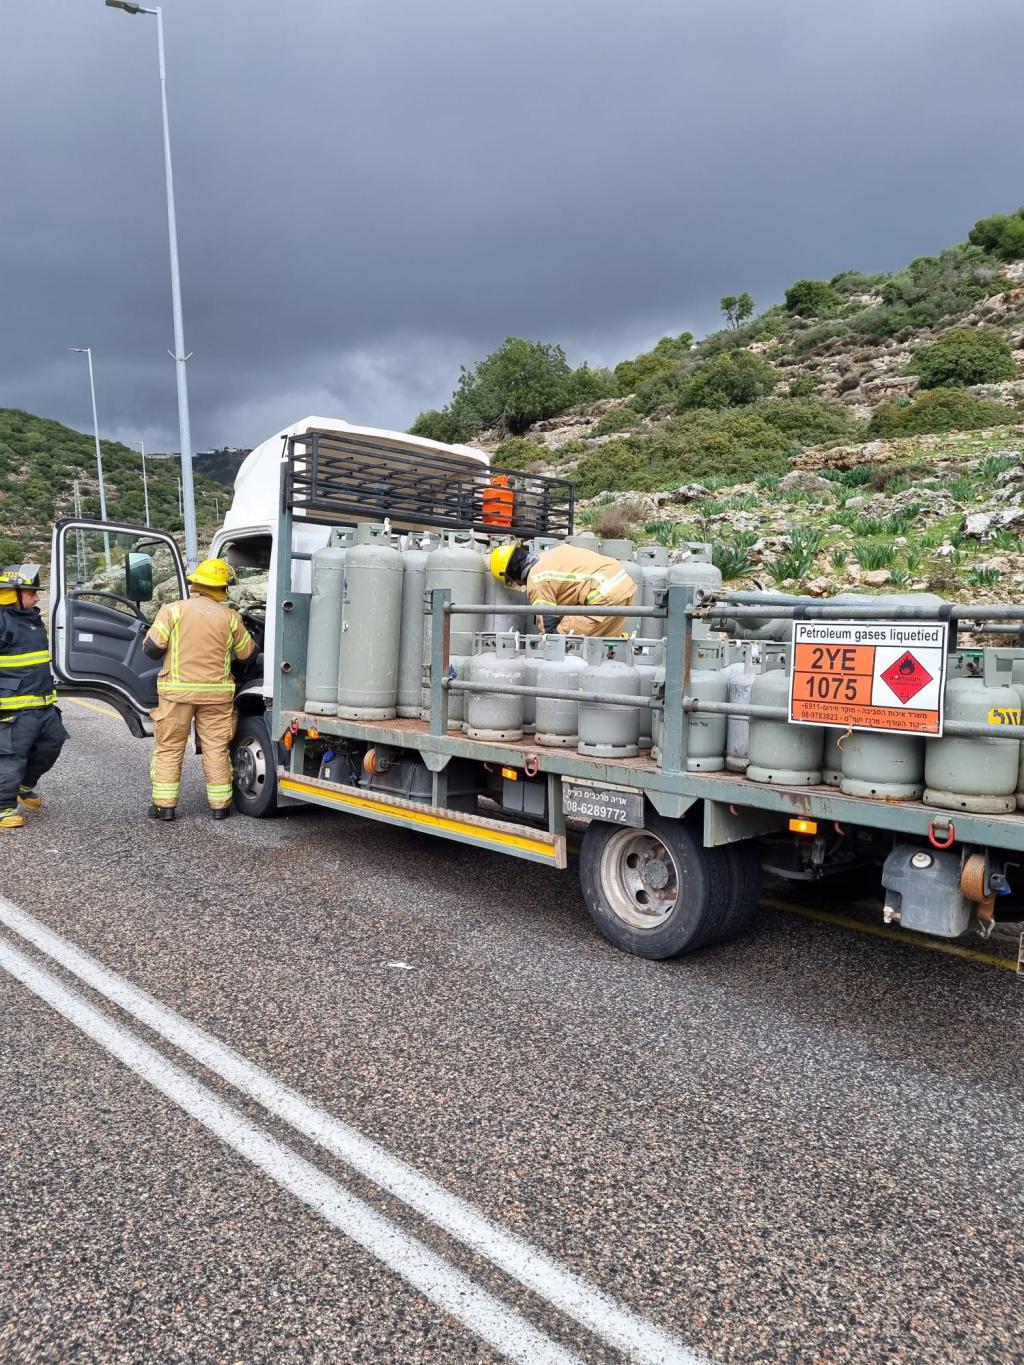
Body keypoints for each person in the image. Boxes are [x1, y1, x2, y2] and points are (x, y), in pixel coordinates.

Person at [142, 557, 255, 822]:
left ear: (196, 583)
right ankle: (220, 806)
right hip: (216, 696)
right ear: (222, 588)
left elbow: (152, 649)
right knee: (216, 748)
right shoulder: (231, 617)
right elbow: (247, 654)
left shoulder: (173, 611)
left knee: (170, 748)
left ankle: (164, 807)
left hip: (177, 695)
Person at [0, 564, 68, 831]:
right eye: (31, 593)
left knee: (53, 743)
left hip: (42, 703)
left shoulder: (32, 619)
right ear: (12, 593)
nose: (37, 598)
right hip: (13, 708)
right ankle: (4, 808)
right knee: (11, 756)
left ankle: (24, 785)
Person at [489, 540, 636, 637]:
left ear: (512, 575)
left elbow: (547, 625)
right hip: (623, 585)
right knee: (604, 645)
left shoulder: (536, 578)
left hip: (603, 595)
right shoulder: (549, 556)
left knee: (563, 640)